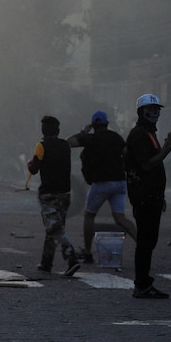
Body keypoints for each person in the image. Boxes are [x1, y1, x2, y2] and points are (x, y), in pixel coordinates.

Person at [66, 110, 137, 262]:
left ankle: (87, 253)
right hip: (119, 183)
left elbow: (69, 142)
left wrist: (83, 132)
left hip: (101, 184)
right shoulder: (116, 137)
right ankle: (143, 246)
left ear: (94, 125)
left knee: (89, 215)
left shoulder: (90, 139)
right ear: (107, 124)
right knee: (120, 218)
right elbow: (128, 156)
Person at [125, 93, 171, 298]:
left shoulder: (149, 133)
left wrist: (160, 195)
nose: (154, 113)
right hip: (143, 196)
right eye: (150, 110)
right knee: (146, 242)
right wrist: (167, 150)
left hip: (152, 196)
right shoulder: (138, 135)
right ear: (141, 112)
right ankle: (142, 284)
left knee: (149, 241)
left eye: (157, 110)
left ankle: (144, 283)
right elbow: (147, 165)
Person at [27, 116, 81, 277]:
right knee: (54, 228)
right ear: (58, 130)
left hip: (48, 194)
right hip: (65, 194)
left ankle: (71, 258)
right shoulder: (65, 145)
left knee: (55, 228)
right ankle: (46, 263)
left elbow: (34, 169)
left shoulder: (41, 146)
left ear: (43, 131)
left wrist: (30, 163)